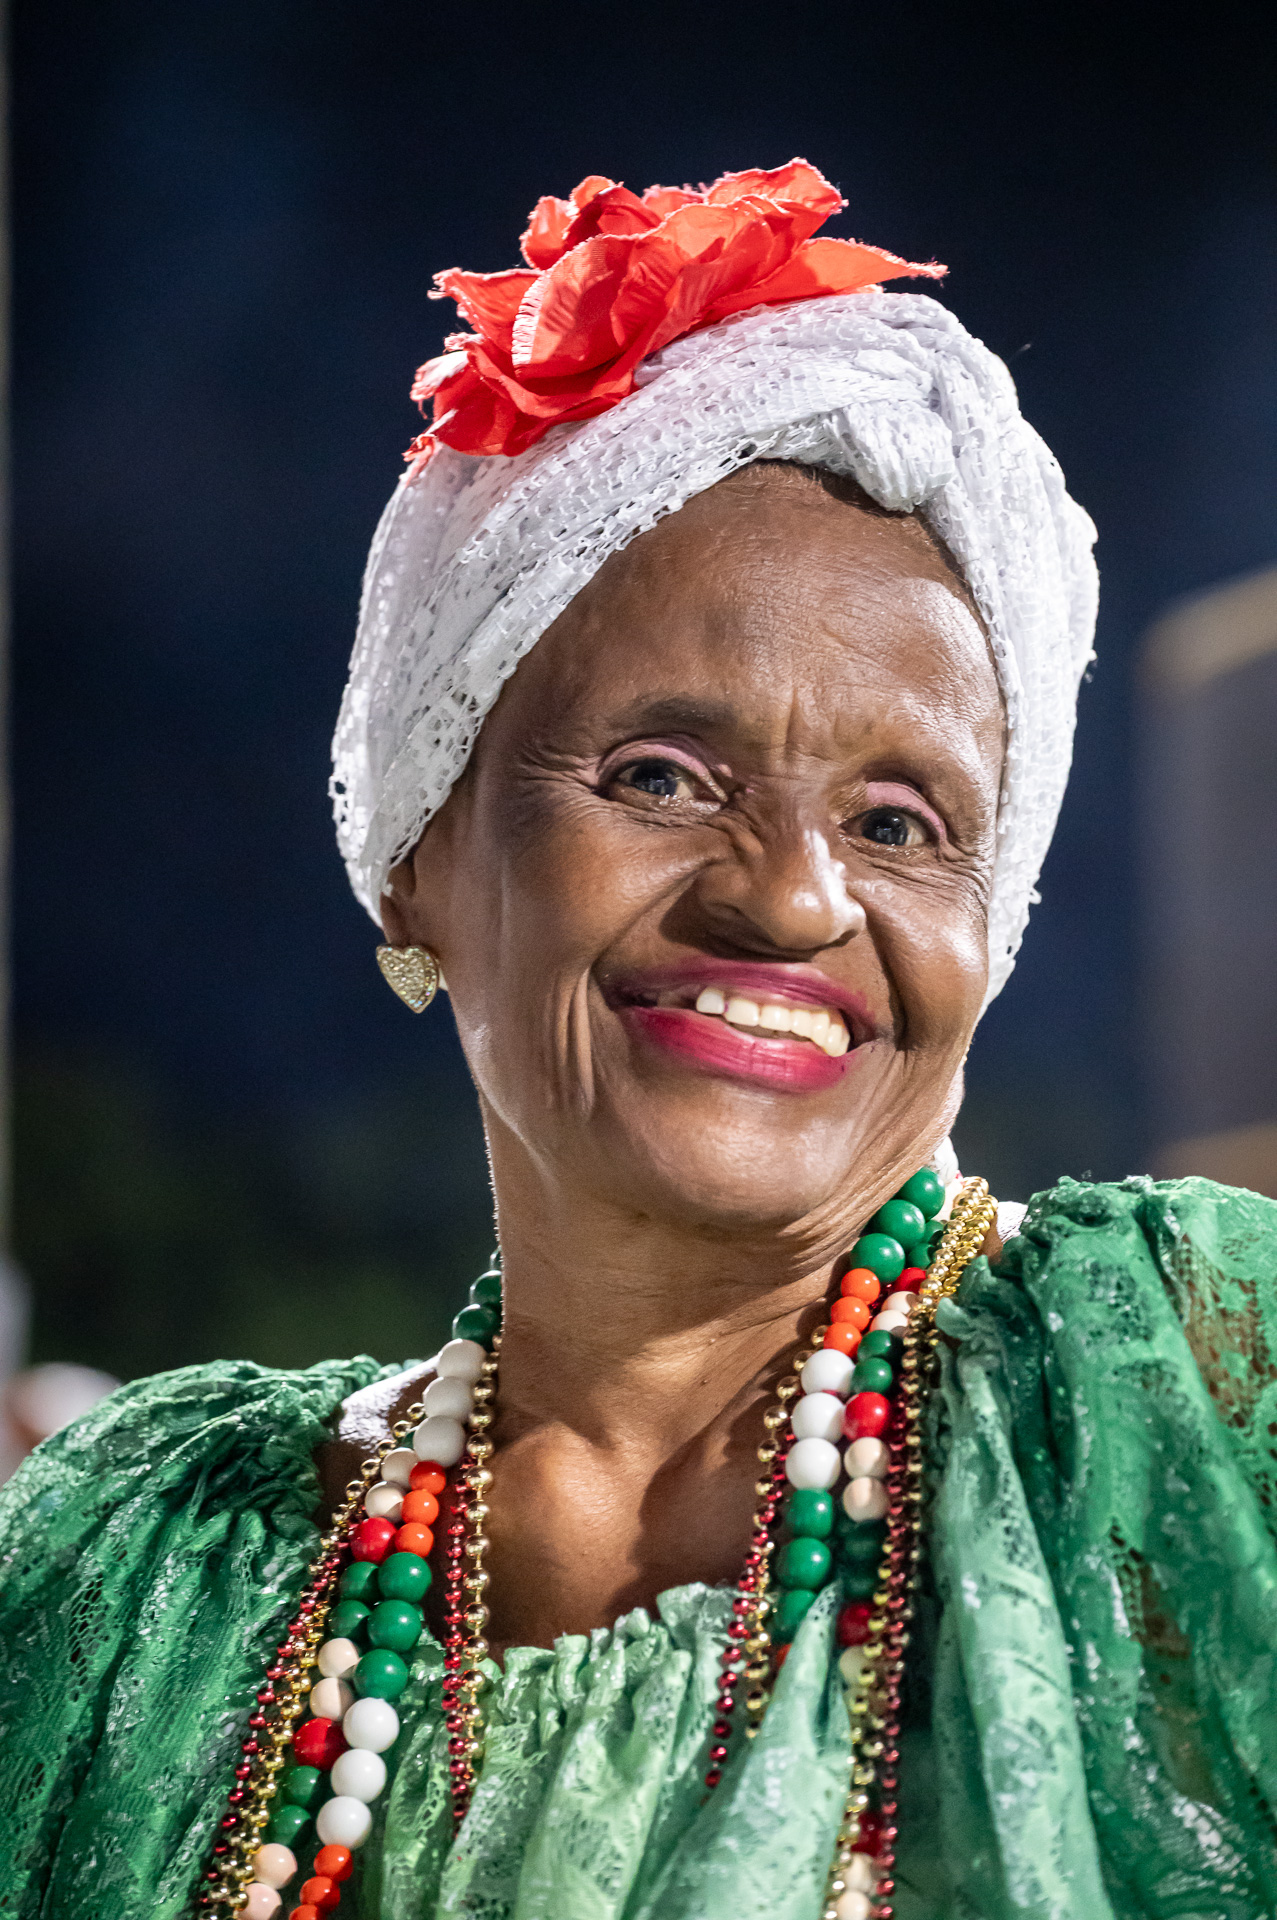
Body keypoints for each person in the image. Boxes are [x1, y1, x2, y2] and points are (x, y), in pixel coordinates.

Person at [2, 161, 1275, 1920]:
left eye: (899, 823)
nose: (792, 898)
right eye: (661, 777)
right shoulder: (140, 1580)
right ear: (418, 849)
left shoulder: (1189, 1407)